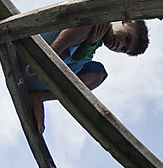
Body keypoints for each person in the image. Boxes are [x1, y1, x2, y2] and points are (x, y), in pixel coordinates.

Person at [19, 20, 149, 133]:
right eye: (127, 37)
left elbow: (78, 58)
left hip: (36, 80)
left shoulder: (95, 43)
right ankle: (43, 57)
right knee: (90, 21)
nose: (119, 44)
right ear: (126, 20)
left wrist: (90, 43)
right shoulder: (97, 19)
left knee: (99, 73)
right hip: (29, 49)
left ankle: (39, 97)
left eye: (123, 49)